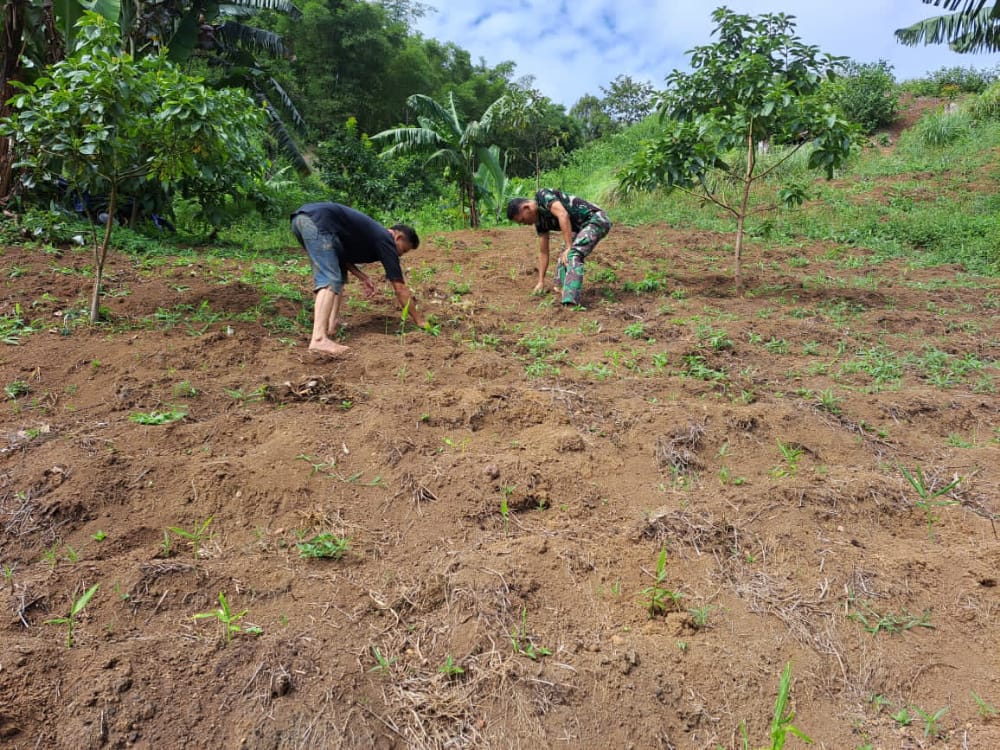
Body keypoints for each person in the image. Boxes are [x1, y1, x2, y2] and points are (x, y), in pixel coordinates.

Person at [290, 202, 426, 356]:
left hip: (303, 220)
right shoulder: (386, 239)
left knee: (338, 275)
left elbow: (342, 256)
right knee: (328, 278)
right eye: (403, 249)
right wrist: (420, 321)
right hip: (317, 222)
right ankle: (319, 339)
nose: (400, 255)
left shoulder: (372, 236)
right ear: (398, 237)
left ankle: (331, 325)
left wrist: (361, 276)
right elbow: (399, 287)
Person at [507, 189, 612, 306]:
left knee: (572, 254)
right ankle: (562, 288)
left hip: (596, 219)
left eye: (522, 220)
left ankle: (570, 301)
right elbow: (543, 252)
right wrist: (541, 281)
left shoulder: (542, 196)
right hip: (579, 228)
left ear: (526, 208)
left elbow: (563, 214)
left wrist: (568, 246)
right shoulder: (539, 222)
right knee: (563, 258)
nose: (524, 223)